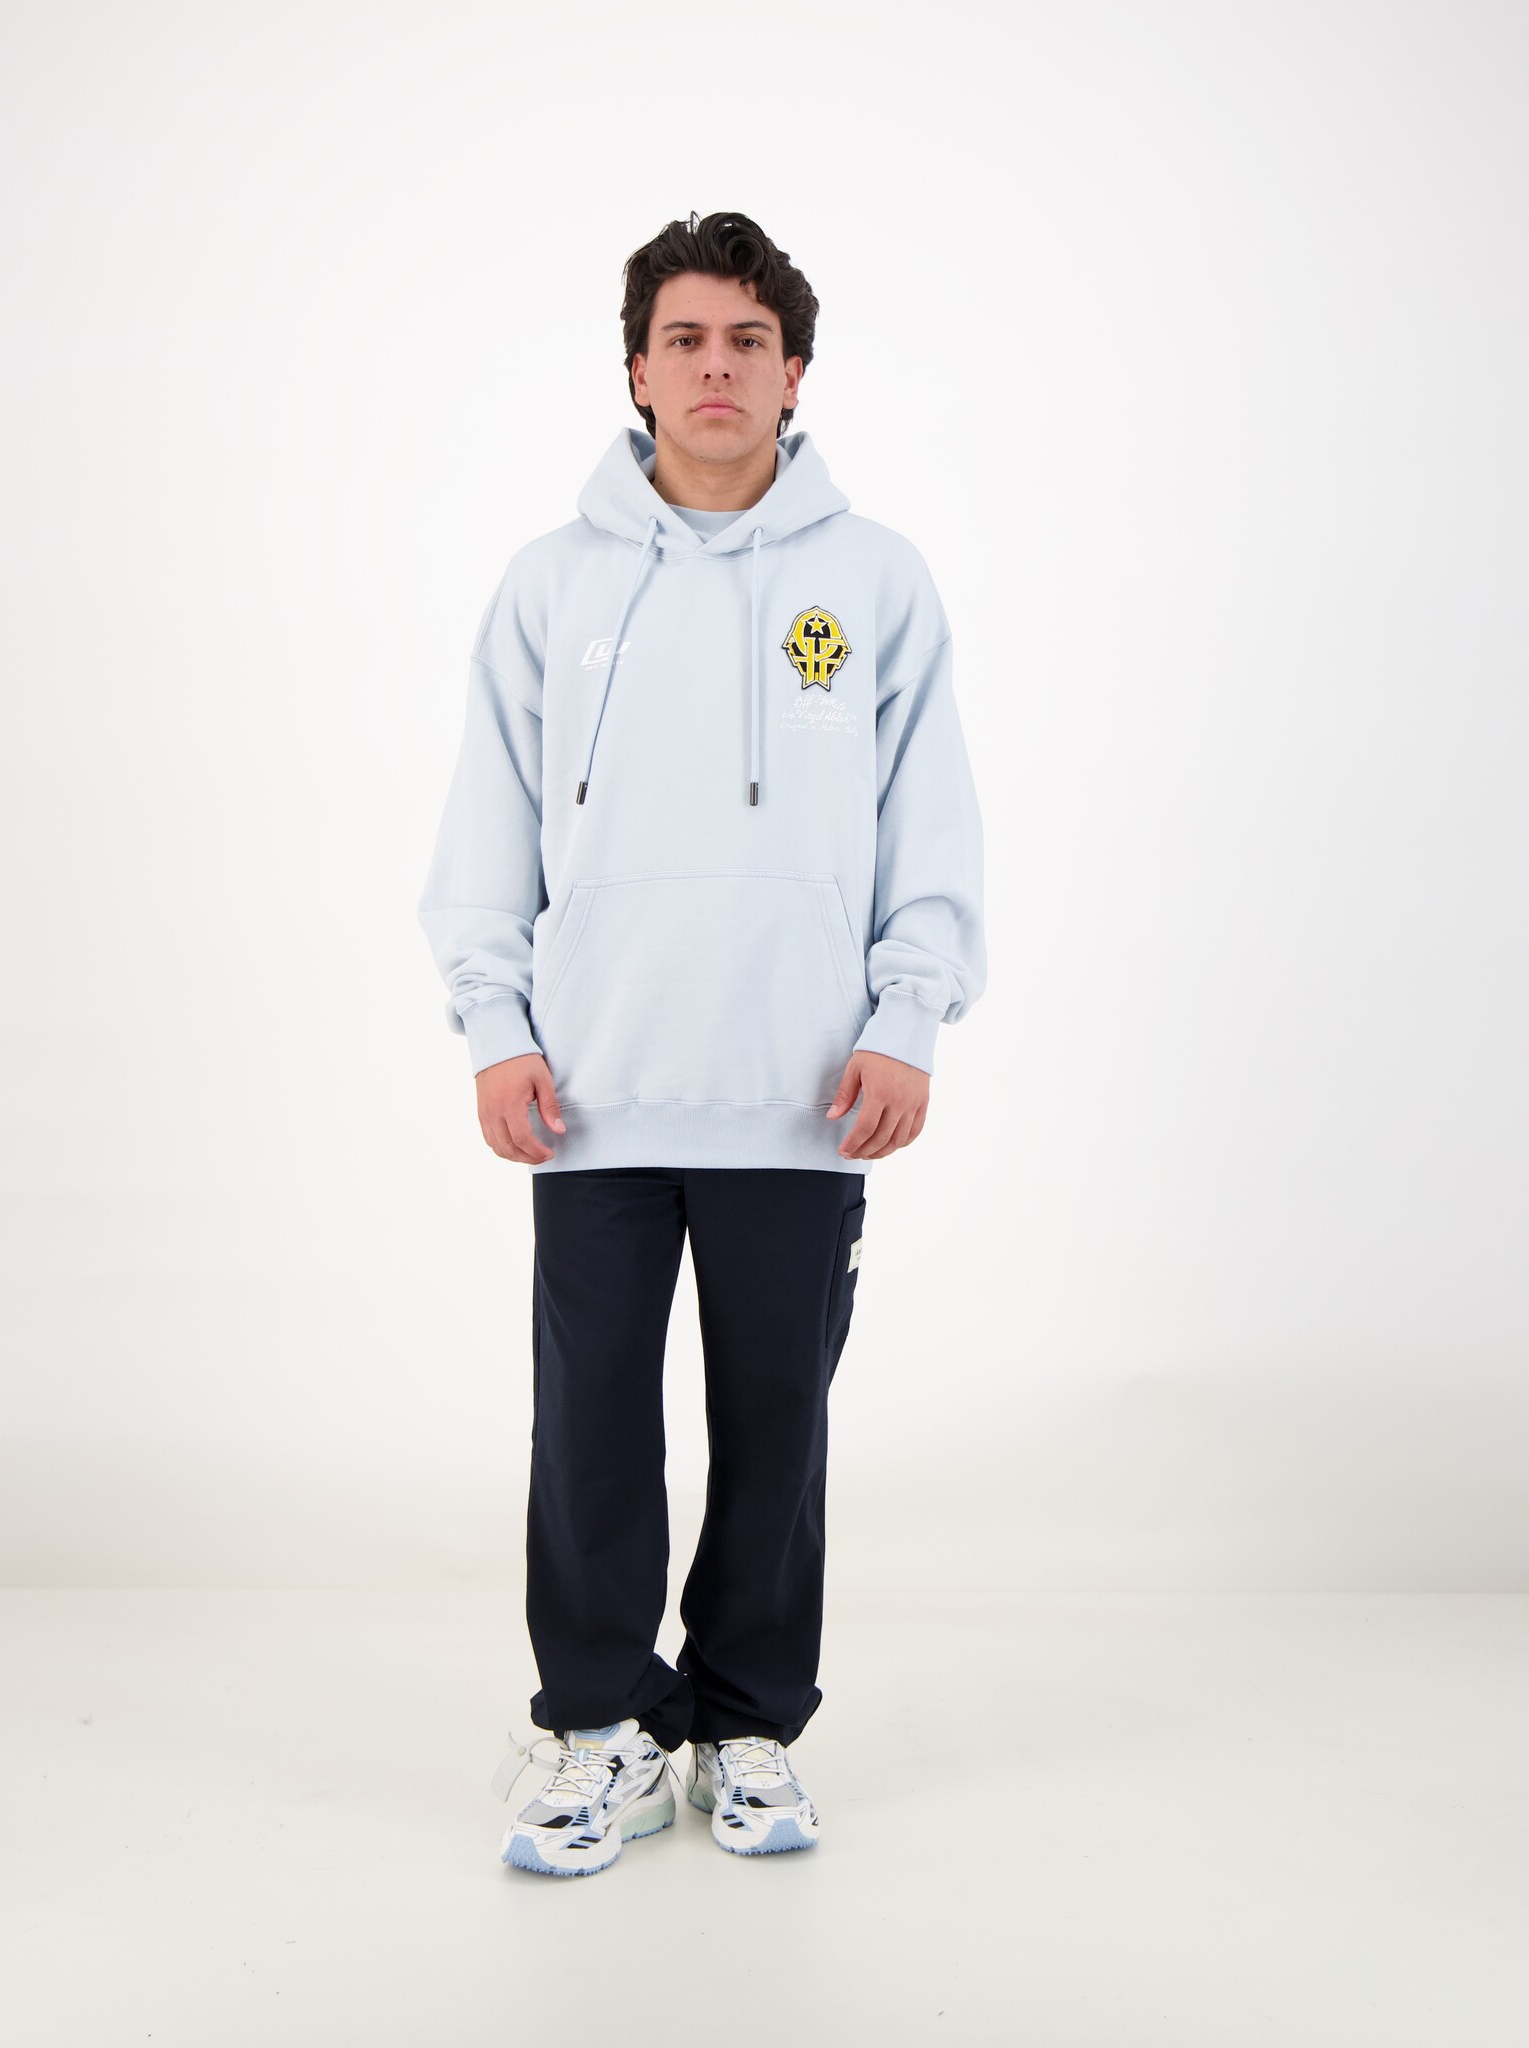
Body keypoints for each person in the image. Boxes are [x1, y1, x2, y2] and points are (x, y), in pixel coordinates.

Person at [416, 210, 987, 1877]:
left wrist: (906, 1015)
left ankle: (744, 1728)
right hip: (589, 1087)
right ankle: (600, 1725)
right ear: (637, 371)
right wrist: (493, 1025)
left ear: (793, 373)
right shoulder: (551, 583)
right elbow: (486, 827)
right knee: (589, 1428)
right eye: (684, 339)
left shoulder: (871, 581)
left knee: (774, 1432)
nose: (715, 367)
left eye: (747, 340)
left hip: (802, 1090)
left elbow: (930, 822)